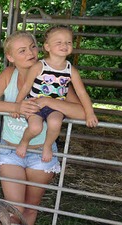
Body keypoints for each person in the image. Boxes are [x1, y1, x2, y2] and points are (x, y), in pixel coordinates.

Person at [0, 31, 86, 225]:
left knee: (30, 207)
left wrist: (50, 101)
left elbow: (82, 113)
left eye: (33, 47)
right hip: (11, 149)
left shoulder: (57, 74)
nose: (30, 53)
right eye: (22, 50)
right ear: (10, 57)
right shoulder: (9, 74)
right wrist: (16, 107)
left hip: (41, 153)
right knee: (15, 208)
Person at [14, 25, 98, 162]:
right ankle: (24, 141)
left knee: (55, 123)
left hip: (56, 107)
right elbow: (25, 88)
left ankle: (47, 146)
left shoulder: (71, 70)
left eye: (68, 42)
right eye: (58, 42)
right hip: (35, 105)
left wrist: (90, 113)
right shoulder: (39, 66)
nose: (64, 45)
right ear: (47, 47)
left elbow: (82, 93)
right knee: (35, 127)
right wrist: (17, 105)